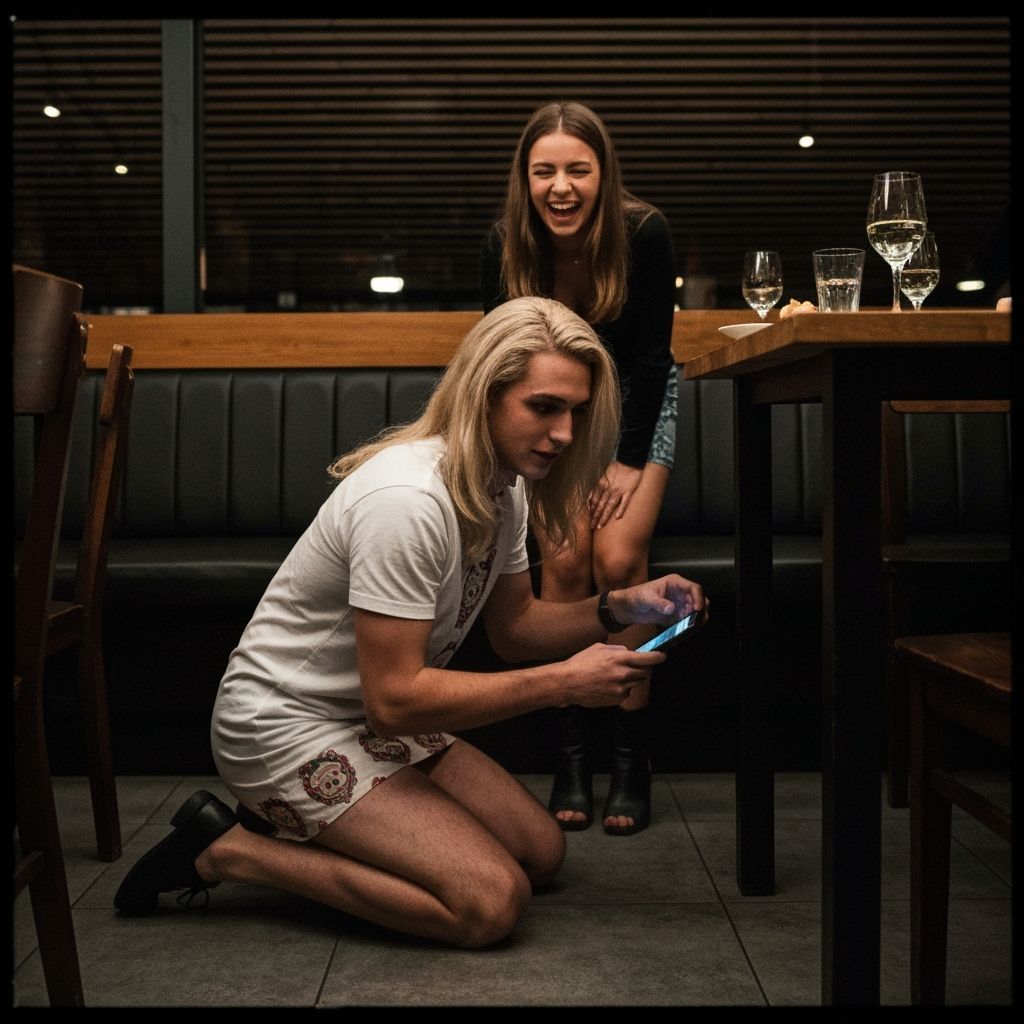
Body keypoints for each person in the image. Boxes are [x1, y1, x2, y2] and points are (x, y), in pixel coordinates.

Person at [113, 296, 706, 949]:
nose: (565, 432)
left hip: (365, 716)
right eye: (544, 407)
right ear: (484, 396)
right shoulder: (407, 501)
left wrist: (619, 607)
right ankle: (227, 850)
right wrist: (564, 683)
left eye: (576, 411)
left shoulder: (503, 484)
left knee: (541, 854)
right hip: (280, 728)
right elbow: (395, 699)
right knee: (490, 904)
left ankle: (311, 823)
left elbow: (517, 629)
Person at [480, 101, 679, 837]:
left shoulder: (644, 232)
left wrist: (625, 461)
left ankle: (630, 759)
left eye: (577, 170)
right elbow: (499, 367)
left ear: (602, 175)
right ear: (526, 181)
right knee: (561, 573)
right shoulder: (505, 243)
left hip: (635, 408)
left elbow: (655, 358)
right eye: (545, 171)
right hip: (548, 414)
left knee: (620, 558)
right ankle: (571, 760)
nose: (561, 187)